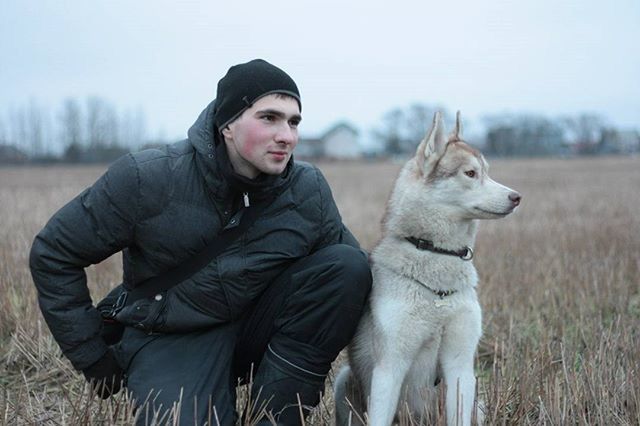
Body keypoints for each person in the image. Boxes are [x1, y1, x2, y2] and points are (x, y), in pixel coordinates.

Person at [29, 59, 372, 425]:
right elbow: (54, 253)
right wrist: (93, 357)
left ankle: (275, 415)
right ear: (227, 124)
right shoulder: (148, 178)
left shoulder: (307, 189)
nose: (286, 135)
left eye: (293, 121)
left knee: (348, 267)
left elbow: (356, 272)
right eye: (269, 118)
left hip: (258, 326)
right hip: (173, 334)